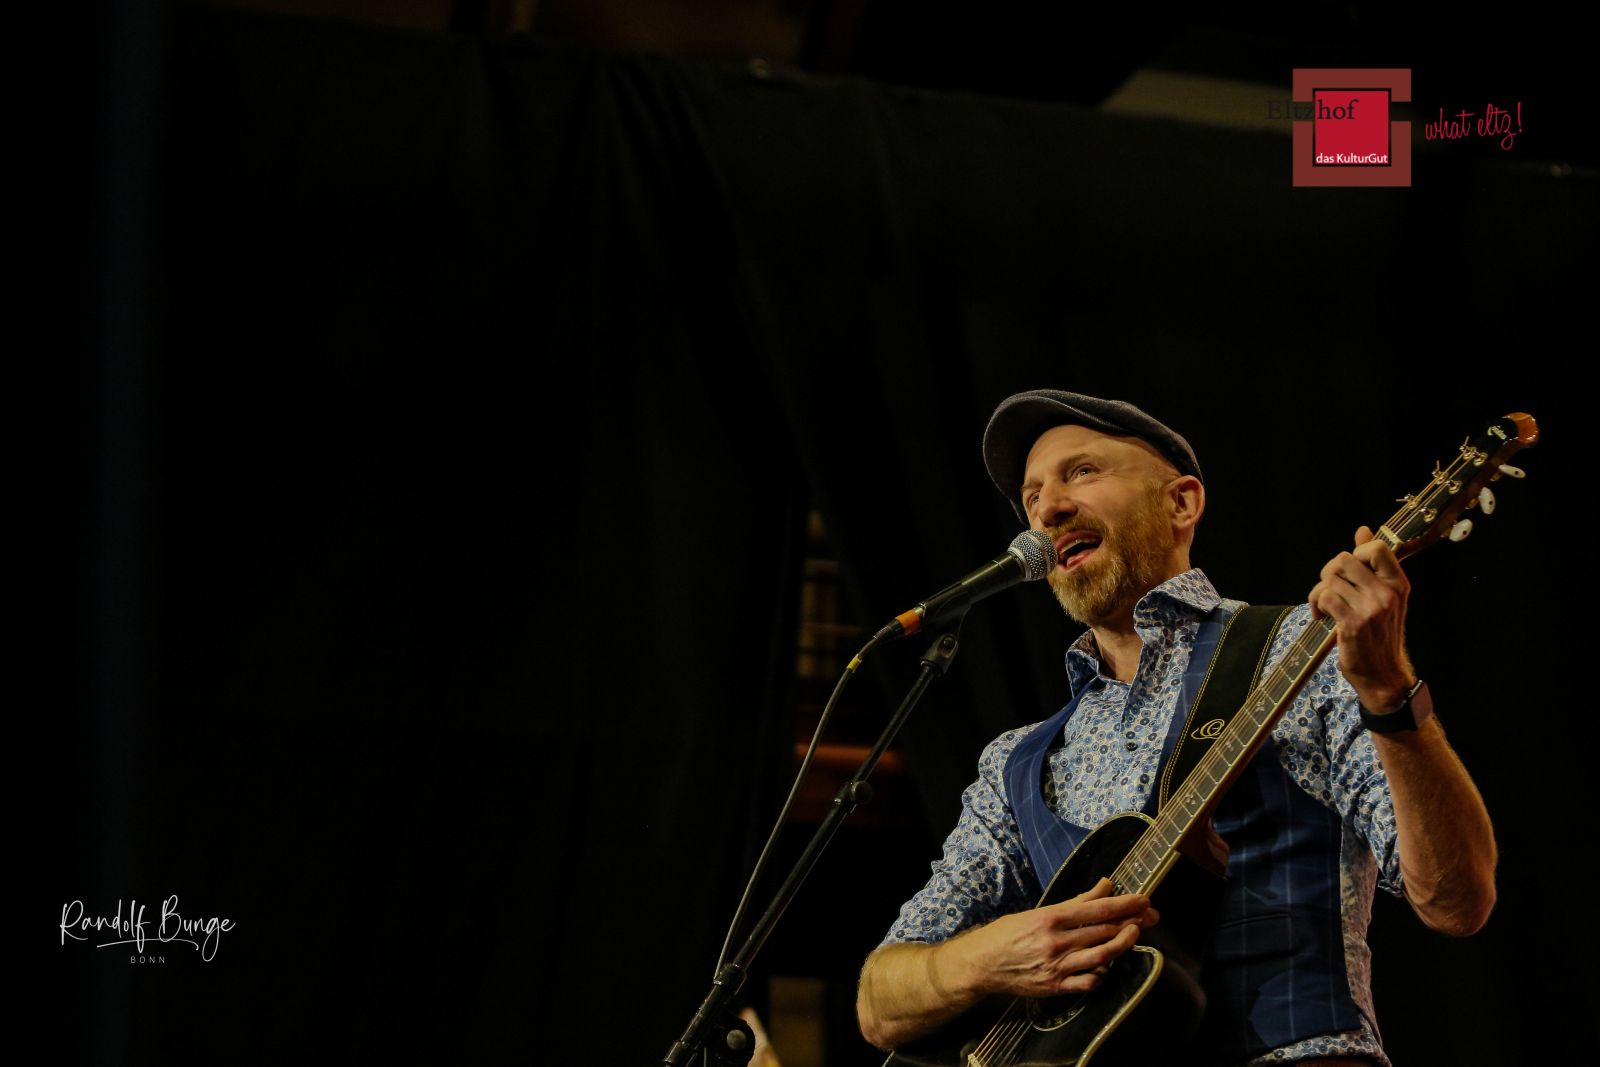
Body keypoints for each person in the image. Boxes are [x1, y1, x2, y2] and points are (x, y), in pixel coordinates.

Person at [854, 389, 1497, 1066]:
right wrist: (990, 957)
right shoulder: (1017, 761)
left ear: (1181, 503)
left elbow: (1455, 900)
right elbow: (879, 1002)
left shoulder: (1299, 649)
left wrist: (1389, 692)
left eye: (1081, 472)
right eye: (1032, 495)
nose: (1047, 509)